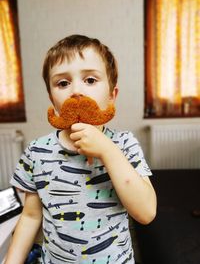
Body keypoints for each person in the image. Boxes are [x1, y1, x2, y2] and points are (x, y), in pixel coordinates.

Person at [5, 34, 157, 264]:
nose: (76, 91)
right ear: (52, 98)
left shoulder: (124, 145)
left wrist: (108, 151)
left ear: (111, 96)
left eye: (90, 80)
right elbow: (30, 216)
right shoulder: (36, 152)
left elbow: (146, 213)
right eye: (63, 83)